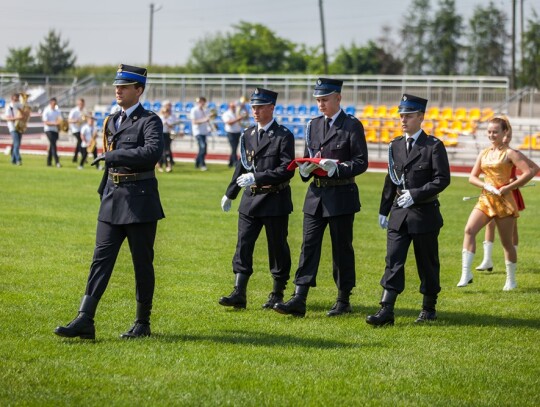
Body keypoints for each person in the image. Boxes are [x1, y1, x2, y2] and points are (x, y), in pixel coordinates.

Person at [54, 64, 165, 340]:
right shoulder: (112, 119)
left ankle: (142, 322)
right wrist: (103, 188)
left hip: (139, 201)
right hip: (112, 199)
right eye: (117, 85)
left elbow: (151, 153)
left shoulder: (150, 121)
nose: (118, 90)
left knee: (142, 262)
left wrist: (114, 157)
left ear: (138, 90)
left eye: (124, 86)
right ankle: (85, 318)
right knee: (100, 260)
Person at [273, 78, 368, 318]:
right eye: (318, 100)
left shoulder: (351, 126)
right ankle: (299, 297)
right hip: (316, 194)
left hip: (341, 194)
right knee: (308, 247)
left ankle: (343, 299)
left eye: (325, 99)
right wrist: (305, 169)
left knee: (341, 249)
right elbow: (309, 155)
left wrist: (338, 168)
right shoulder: (313, 125)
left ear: (338, 98)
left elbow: (360, 162)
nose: (320, 104)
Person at [366, 94, 451, 326]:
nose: (403, 120)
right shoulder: (395, 145)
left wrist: (415, 194)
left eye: (409, 115)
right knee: (393, 260)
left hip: (424, 213)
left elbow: (442, 179)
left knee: (427, 262)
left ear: (421, 117)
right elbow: (391, 180)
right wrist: (384, 209)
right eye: (401, 115)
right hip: (399, 214)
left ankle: (428, 308)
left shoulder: (433, 146)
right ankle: (386, 309)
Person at [219, 88, 295, 310]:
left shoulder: (283, 135)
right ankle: (239, 292)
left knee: (277, 247)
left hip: (274, 198)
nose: (255, 111)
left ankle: (277, 293)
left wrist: (258, 176)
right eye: (253, 107)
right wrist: (230, 193)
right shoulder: (248, 134)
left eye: (260, 106)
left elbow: (287, 169)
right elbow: (241, 166)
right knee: (243, 245)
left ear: (271, 107)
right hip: (250, 199)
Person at [458, 117, 533, 290]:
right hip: (486, 199)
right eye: (489, 132)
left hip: (504, 201)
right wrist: (486, 185)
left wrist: (509, 187)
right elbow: (472, 177)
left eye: (495, 132)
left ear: (504, 132)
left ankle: (511, 280)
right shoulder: (484, 153)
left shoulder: (510, 153)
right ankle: (466, 273)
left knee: (506, 243)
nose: (492, 135)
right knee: (469, 230)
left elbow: (528, 172)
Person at [475, 118, 539, 272]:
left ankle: (512, 258)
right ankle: (487, 260)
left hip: (509, 191)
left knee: (512, 229)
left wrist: (514, 181)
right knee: (489, 224)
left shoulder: (513, 153)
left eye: (508, 137)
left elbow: (534, 168)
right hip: (492, 192)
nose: (505, 139)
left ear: (508, 136)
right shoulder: (492, 153)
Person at [190, 96, 211, 171]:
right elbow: (194, 122)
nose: (202, 103)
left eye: (203, 102)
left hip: (204, 131)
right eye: (200, 102)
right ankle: (202, 164)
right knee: (202, 147)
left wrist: (209, 122)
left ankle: (197, 162)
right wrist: (204, 120)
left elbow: (207, 120)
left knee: (203, 149)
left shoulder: (205, 110)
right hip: (197, 132)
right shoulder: (194, 110)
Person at [157, 100, 179, 173]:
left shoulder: (172, 115)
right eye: (168, 105)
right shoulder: (160, 116)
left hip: (168, 134)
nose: (169, 107)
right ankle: (161, 165)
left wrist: (171, 125)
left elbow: (175, 122)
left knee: (167, 150)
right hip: (161, 134)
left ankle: (167, 165)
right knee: (162, 151)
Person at [42, 97, 63, 168]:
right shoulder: (46, 110)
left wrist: (60, 124)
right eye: (53, 103)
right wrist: (55, 123)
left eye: (55, 103)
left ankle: (49, 162)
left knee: (52, 146)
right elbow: (45, 122)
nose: (54, 104)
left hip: (55, 130)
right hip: (48, 130)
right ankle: (57, 162)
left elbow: (60, 120)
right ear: (50, 103)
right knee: (53, 145)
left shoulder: (57, 111)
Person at [3, 93, 23, 165]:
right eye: (15, 98)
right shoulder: (9, 106)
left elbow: (23, 115)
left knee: (16, 144)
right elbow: (7, 118)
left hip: (20, 126)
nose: (17, 99)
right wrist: (17, 118)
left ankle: (13, 160)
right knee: (17, 143)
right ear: (12, 98)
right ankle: (18, 159)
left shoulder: (20, 105)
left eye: (18, 98)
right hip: (12, 127)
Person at [221, 101, 243, 167]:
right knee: (234, 148)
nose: (234, 108)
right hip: (230, 132)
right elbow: (229, 123)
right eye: (232, 107)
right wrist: (237, 119)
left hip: (237, 132)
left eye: (234, 106)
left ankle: (230, 163)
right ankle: (235, 162)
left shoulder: (237, 113)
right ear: (229, 107)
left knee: (235, 148)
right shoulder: (226, 114)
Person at [68, 98, 86, 163]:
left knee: (79, 143)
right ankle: (83, 156)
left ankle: (76, 158)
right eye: (80, 104)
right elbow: (69, 120)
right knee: (80, 141)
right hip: (75, 129)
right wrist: (76, 121)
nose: (81, 105)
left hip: (82, 129)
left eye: (82, 104)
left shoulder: (84, 111)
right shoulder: (74, 111)